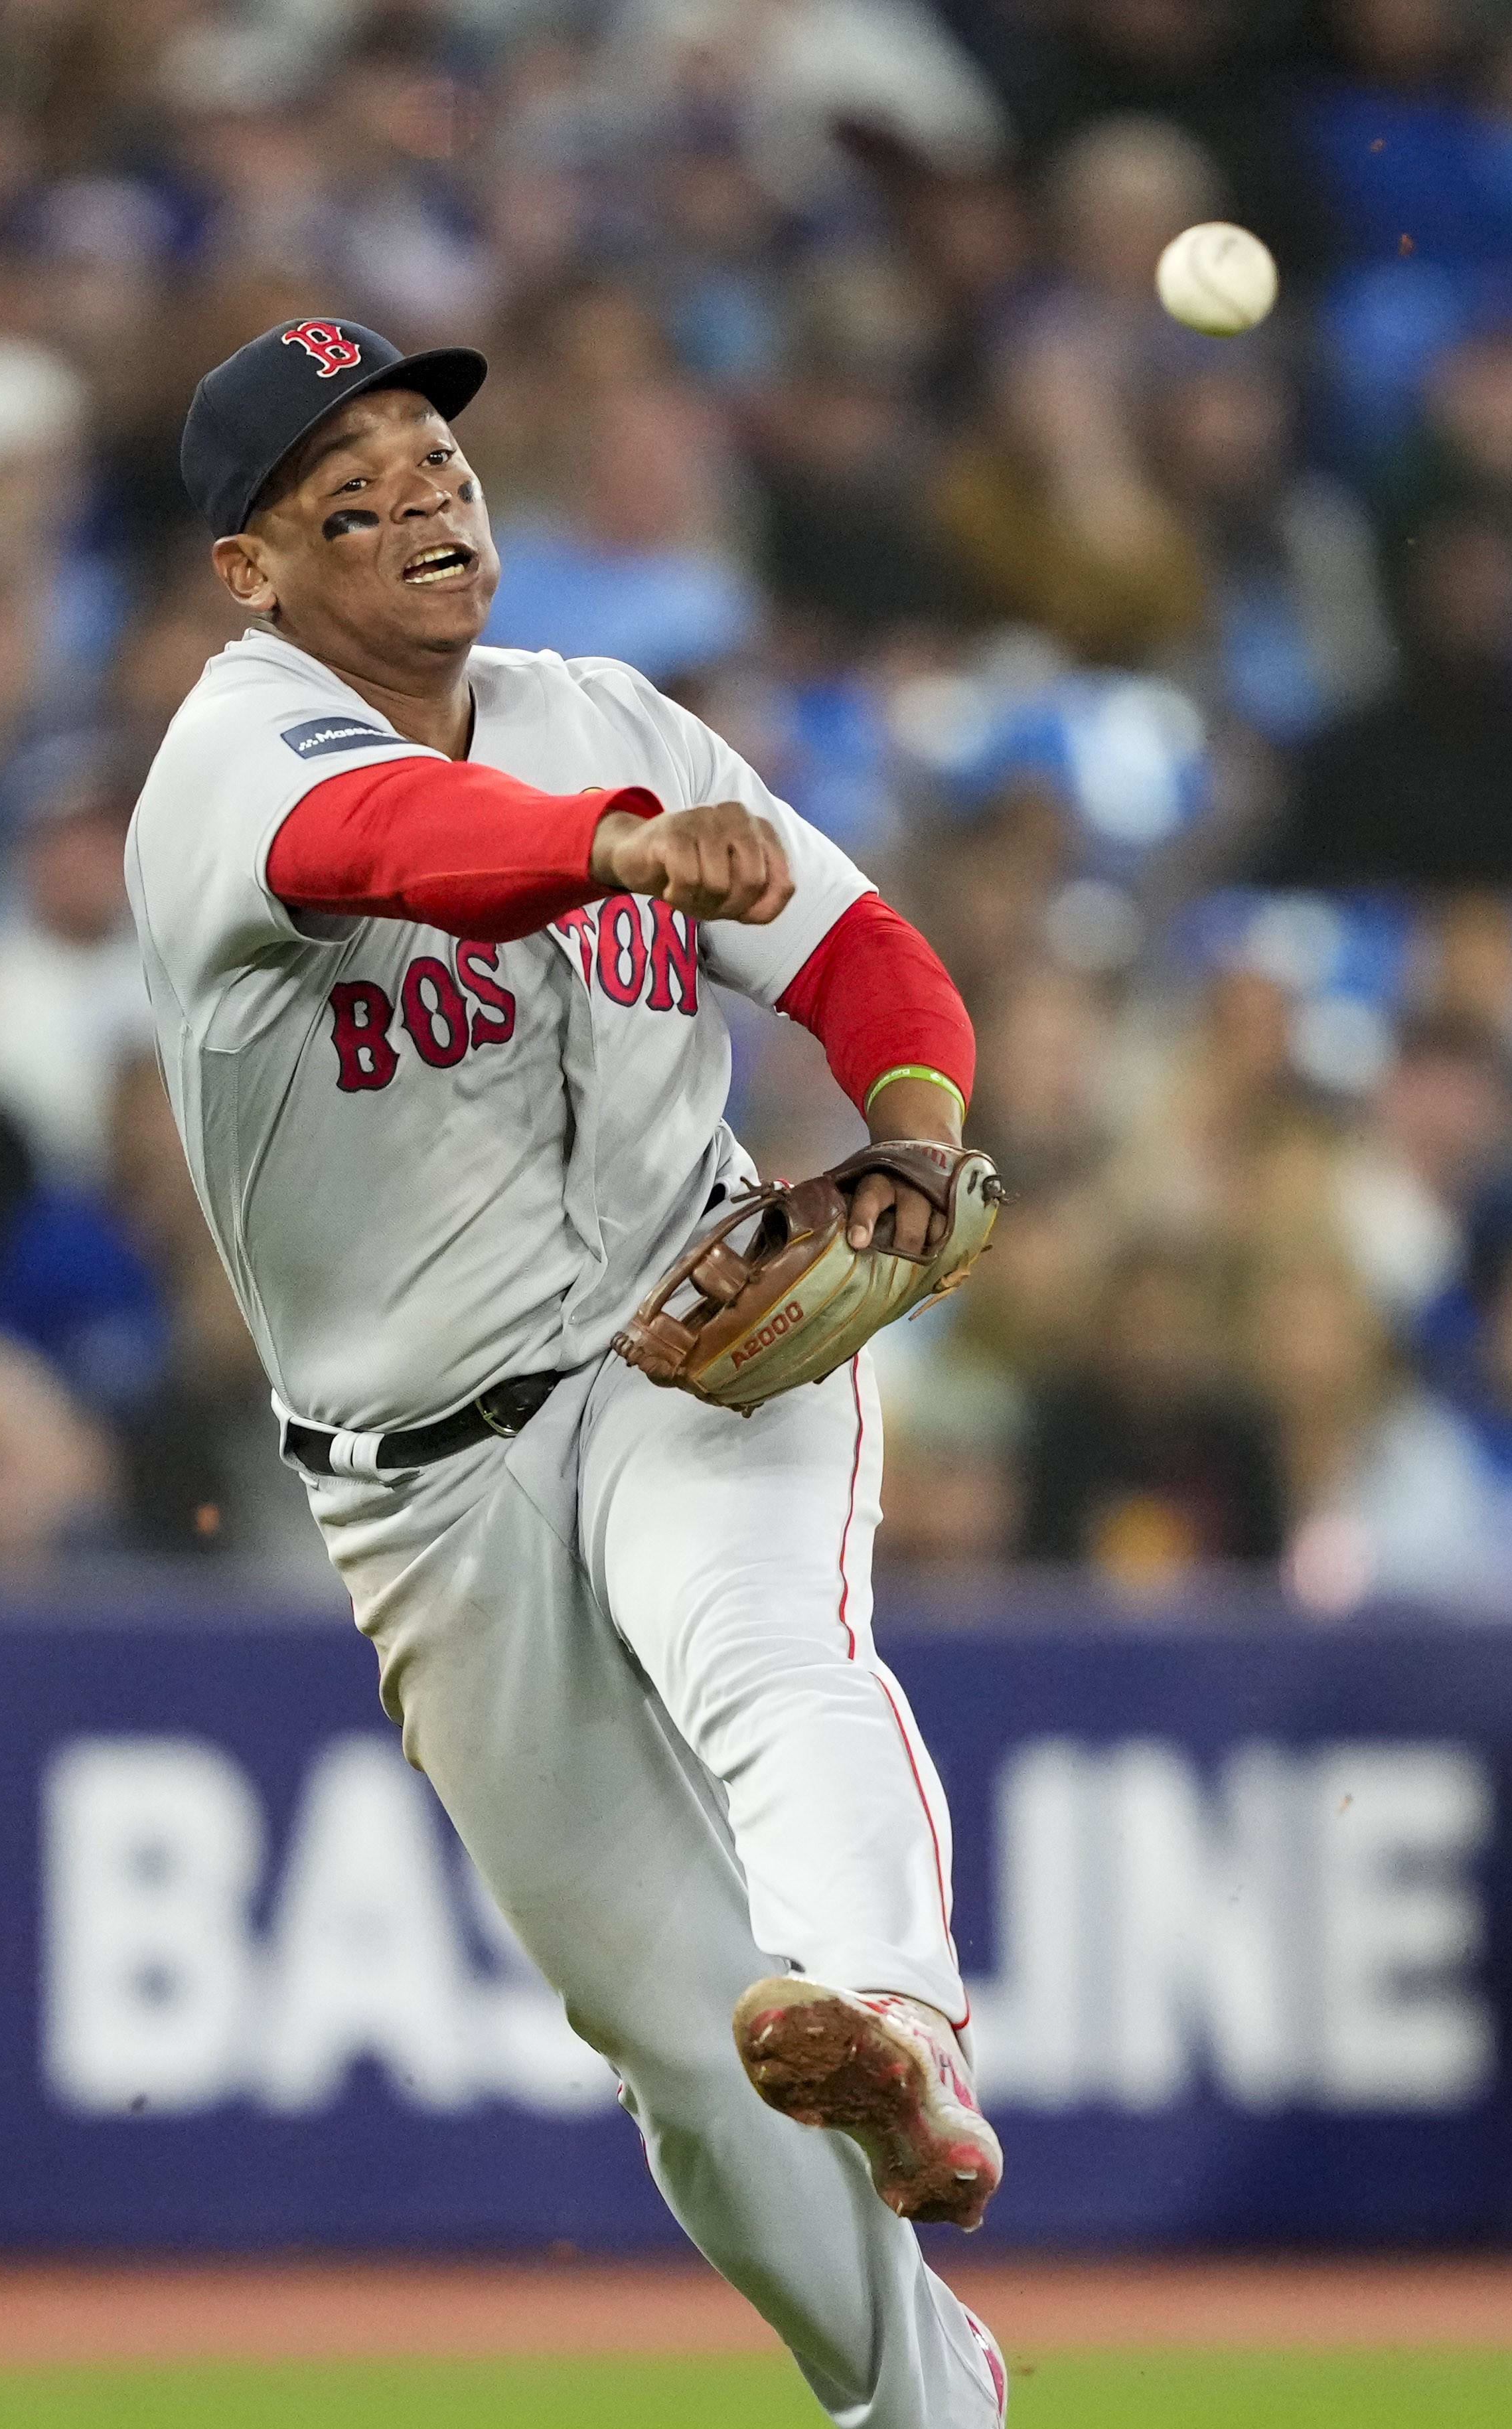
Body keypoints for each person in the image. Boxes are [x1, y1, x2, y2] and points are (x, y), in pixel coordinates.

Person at [125, 318, 1010, 2422]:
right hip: (418, 1474)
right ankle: (921, 2395)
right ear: (250, 568)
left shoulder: (597, 706)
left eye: (435, 457)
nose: (423, 498)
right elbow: (394, 852)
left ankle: (896, 2010)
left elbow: (862, 952)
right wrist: (611, 848)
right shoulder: (232, 760)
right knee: (681, 2039)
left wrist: (906, 1121)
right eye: (351, 489)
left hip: (684, 1334)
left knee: (759, 1637)